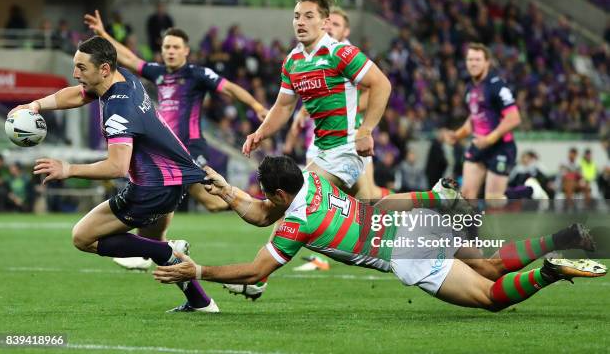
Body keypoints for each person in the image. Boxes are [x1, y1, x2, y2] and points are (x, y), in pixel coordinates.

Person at [153, 156, 606, 312]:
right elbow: (260, 212)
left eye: (263, 193)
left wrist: (201, 270)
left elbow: (254, 271)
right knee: (488, 263)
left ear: (276, 192)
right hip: (411, 223)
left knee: (491, 296)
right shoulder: (312, 181)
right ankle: (561, 236)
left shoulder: (297, 223)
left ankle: (548, 271)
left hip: (406, 251)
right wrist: (230, 192)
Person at [9, 36, 219, 313]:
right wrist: (36, 106)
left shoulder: (119, 108)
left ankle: (168, 252)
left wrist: (69, 169)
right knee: (152, 239)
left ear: (104, 69)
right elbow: (78, 93)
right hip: (171, 182)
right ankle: (201, 302)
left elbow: (117, 167)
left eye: (82, 68)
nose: (75, 74)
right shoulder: (123, 78)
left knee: (83, 237)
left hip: (151, 189)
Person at [85, 10, 268, 214]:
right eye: (167, 47)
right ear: (162, 50)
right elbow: (129, 58)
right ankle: (164, 243)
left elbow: (229, 88)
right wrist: (103, 34)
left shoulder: (197, 74)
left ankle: (263, 204)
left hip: (191, 147)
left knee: (212, 202)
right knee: (171, 201)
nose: (170, 51)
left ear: (186, 51)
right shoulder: (158, 72)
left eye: (175, 47)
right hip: (167, 148)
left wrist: (257, 106)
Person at [242, 0, 391, 198]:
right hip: (322, 150)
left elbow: (382, 84)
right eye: (297, 16)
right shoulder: (292, 61)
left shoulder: (340, 53)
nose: (300, 22)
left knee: (296, 199)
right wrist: (260, 133)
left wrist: (366, 130)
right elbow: (283, 106)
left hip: (346, 149)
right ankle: (436, 198)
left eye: (309, 16)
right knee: (370, 210)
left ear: (324, 22)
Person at [283, 6, 390, 201]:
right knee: (318, 200)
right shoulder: (315, 52)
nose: (330, 27)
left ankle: (424, 203)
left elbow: (375, 89)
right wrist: (303, 111)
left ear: (346, 31)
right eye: (328, 23)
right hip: (321, 138)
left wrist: (344, 109)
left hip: (351, 136)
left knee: (366, 199)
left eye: (336, 24)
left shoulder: (348, 54)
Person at [449, 43, 521, 200]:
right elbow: (474, 117)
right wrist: (458, 135)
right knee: (467, 196)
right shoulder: (470, 88)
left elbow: (514, 118)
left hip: (501, 147)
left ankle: (525, 193)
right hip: (479, 146)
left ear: (487, 62)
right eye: (470, 59)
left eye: (477, 59)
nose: (473, 63)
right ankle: (470, 225)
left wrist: (490, 139)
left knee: (493, 201)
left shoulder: (496, 86)